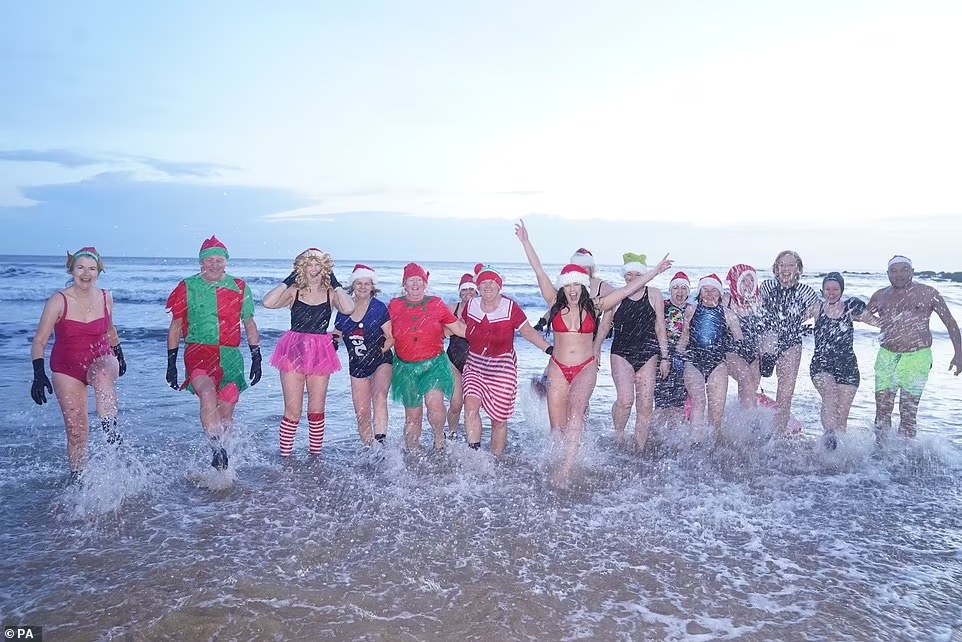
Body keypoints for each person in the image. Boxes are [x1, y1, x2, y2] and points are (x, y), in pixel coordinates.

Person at [514, 219, 672, 483]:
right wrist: (526, 241)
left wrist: (655, 271)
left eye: (577, 285)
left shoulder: (595, 306)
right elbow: (538, 270)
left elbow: (627, 289)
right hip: (558, 368)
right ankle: (559, 459)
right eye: (568, 285)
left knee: (577, 414)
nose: (573, 290)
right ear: (563, 286)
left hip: (585, 368)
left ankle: (567, 468)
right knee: (557, 427)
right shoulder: (554, 302)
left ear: (583, 286)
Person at [165, 236, 261, 471]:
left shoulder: (240, 287)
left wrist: (256, 357)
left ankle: (222, 467)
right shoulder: (187, 286)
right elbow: (176, 326)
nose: (214, 264)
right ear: (201, 262)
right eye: (209, 260)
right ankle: (216, 449)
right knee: (207, 394)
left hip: (230, 357)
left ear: (226, 261)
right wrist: (171, 363)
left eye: (219, 260)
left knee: (226, 412)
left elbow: (249, 323)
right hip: (198, 352)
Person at [31, 247, 126, 481]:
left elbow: (110, 330)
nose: (86, 273)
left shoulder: (106, 297)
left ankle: (110, 429)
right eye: (80, 267)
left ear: (99, 272)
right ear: (71, 270)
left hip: (101, 358)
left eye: (92, 268)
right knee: (76, 432)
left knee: (102, 376)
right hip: (67, 368)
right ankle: (77, 480)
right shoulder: (59, 300)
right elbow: (40, 340)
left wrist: (120, 355)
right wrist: (38, 374)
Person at [263, 248, 354, 457]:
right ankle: (285, 457)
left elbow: (349, 308)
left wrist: (336, 284)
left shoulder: (331, 293)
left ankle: (315, 457)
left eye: (318, 265)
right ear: (302, 268)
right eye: (309, 265)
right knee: (293, 411)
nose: (313, 270)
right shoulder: (294, 291)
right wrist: (288, 281)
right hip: (293, 349)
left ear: (325, 268)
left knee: (316, 410)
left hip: (320, 350)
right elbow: (268, 302)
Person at [866, 255, 962, 440]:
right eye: (894, 270)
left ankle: (905, 454)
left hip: (917, 357)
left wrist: (959, 353)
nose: (899, 274)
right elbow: (862, 315)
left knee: (908, 413)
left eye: (904, 269)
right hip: (886, 357)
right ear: (887, 273)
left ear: (912, 271)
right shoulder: (880, 295)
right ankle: (880, 453)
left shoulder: (928, 293)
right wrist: (850, 310)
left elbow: (950, 322)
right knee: (882, 411)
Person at [461, 263, 552, 455]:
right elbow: (461, 326)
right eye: (483, 282)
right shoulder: (471, 305)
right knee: (470, 405)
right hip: (475, 364)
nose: (487, 285)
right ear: (478, 286)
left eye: (492, 282)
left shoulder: (510, 307)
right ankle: (474, 454)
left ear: (499, 285)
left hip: (503, 368)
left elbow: (528, 332)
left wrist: (550, 349)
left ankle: (496, 459)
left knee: (499, 420)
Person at [388, 263, 466, 450]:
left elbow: (458, 328)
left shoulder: (436, 304)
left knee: (435, 405)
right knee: (412, 415)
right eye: (411, 280)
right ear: (404, 284)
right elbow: (385, 332)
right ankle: (412, 451)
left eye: (419, 280)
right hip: (405, 368)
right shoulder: (394, 305)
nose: (415, 284)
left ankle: (439, 440)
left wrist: (486, 334)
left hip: (434, 364)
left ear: (425, 284)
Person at [595, 253, 669, 451]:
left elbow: (660, 327)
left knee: (645, 406)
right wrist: (596, 349)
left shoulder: (654, 295)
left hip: (649, 354)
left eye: (638, 274)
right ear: (624, 275)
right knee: (626, 401)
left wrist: (665, 357)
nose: (633, 278)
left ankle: (639, 448)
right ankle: (619, 436)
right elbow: (604, 327)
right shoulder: (617, 296)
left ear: (644, 275)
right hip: (621, 353)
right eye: (629, 274)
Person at [810, 272, 875, 449]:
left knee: (842, 414)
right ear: (822, 290)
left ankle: (837, 455)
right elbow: (791, 320)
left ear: (842, 290)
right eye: (827, 289)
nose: (831, 293)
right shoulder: (817, 309)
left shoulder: (850, 309)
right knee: (830, 395)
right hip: (821, 364)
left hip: (848, 366)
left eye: (835, 289)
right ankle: (829, 436)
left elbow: (880, 323)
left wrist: (869, 307)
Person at [759, 250, 821, 436]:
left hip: (791, 344)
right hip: (766, 343)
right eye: (782, 265)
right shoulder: (766, 286)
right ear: (776, 268)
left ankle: (777, 435)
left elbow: (820, 314)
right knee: (751, 383)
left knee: (785, 394)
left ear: (798, 269)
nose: (786, 269)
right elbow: (751, 307)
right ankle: (749, 427)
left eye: (791, 265)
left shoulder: (806, 292)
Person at [676, 274, 744, 443]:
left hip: (718, 364)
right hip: (693, 362)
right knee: (699, 400)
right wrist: (675, 356)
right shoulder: (691, 311)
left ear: (720, 294)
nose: (709, 293)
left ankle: (714, 443)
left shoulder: (728, 314)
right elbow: (685, 337)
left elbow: (740, 340)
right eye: (705, 289)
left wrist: (734, 350)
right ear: (699, 293)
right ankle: (695, 442)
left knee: (716, 411)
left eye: (714, 290)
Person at [333, 264, 395, 446]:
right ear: (353, 285)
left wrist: (379, 351)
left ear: (372, 286)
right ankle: (369, 449)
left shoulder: (379, 308)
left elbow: (391, 337)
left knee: (379, 396)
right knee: (362, 414)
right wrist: (330, 345)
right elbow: (337, 333)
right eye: (359, 283)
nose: (362, 287)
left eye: (367, 283)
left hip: (381, 360)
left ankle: (381, 443)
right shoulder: (345, 308)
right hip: (357, 365)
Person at [652, 272, 692, 432]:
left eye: (683, 288)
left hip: (684, 361)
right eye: (675, 288)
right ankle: (652, 439)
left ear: (688, 292)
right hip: (662, 358)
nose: (679, 292)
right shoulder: (662, 306)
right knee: (661, 405)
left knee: (679, 406)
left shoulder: (693, 309)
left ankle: (674, 440)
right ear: (670, 290)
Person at [724, 264, 766, 410]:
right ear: (736, 282)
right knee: (747, 380)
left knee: (750, 389)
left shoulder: (759, 301)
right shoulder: (726, 299)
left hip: (753, 353)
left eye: (751, 280)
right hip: (730, 351)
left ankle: (742, 418)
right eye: (743, 280)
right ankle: (753, 421)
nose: (748, 284)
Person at [445, 273, 477, 439]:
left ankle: (472, 440)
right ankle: (452, 434)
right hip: (452, 361)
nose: (468, 292)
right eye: (464, 289)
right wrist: (455, 328)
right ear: (459, 292)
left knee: (471, 406)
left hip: (476, 363)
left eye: (472, 289)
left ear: (477, 291)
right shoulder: (452, 309)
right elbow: (439, 332)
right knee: (456, 404)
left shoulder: (483, 309)